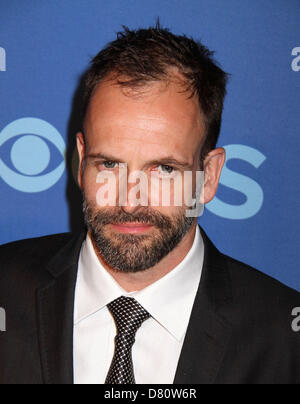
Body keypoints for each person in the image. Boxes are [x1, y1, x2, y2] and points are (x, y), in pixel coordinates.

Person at [0, 22, 300, 385]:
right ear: (81, 161)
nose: (130, 200)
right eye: (109, 164)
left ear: (209, 176)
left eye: (164, 169)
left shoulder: (284, 338)